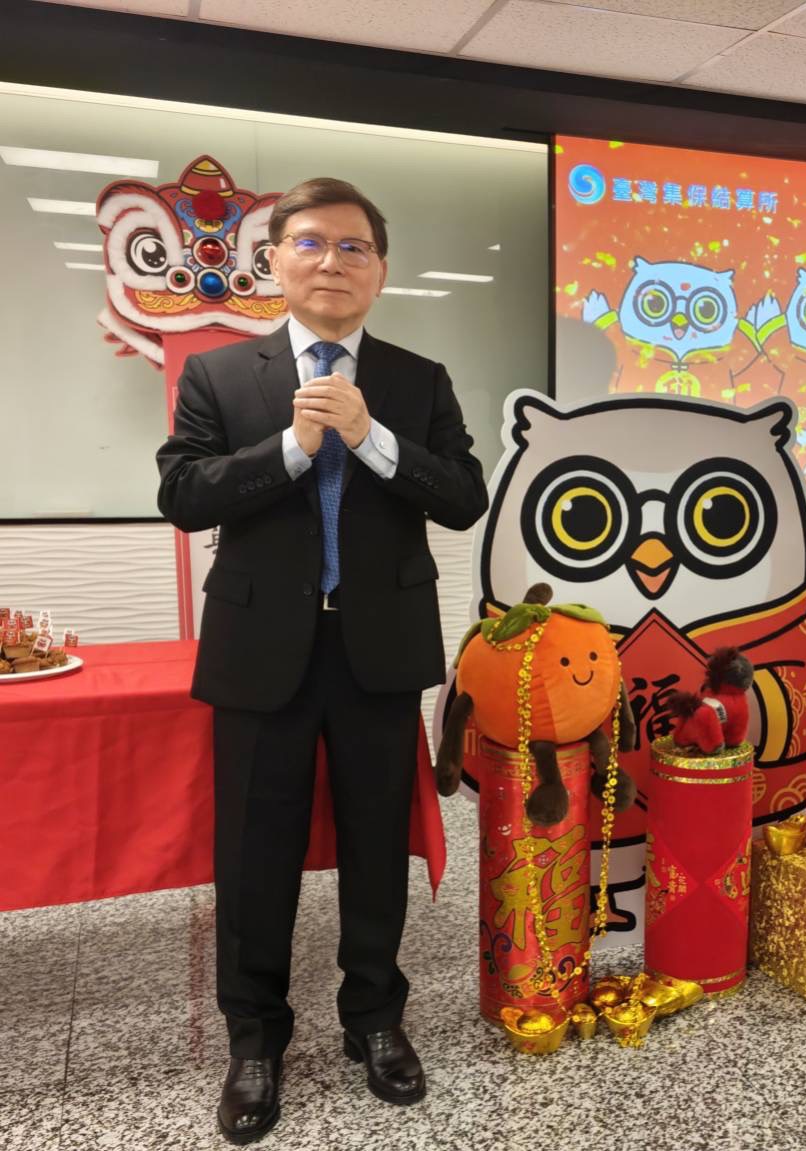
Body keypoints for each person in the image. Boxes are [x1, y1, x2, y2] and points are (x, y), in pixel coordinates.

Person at [157, 177, 487, 1144]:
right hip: (261, 651)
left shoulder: (418, 379)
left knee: (377, 847)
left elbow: (463, 497)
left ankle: (374, 1017)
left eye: (353, 246)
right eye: (309, 242)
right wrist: (294, 446)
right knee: (253, 855)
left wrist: (368, 436)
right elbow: (184, 494)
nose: (331, 261)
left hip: (376, 648)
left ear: (379, 270)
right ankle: (254, 1037)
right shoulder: (221, 375)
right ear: (273, 261)